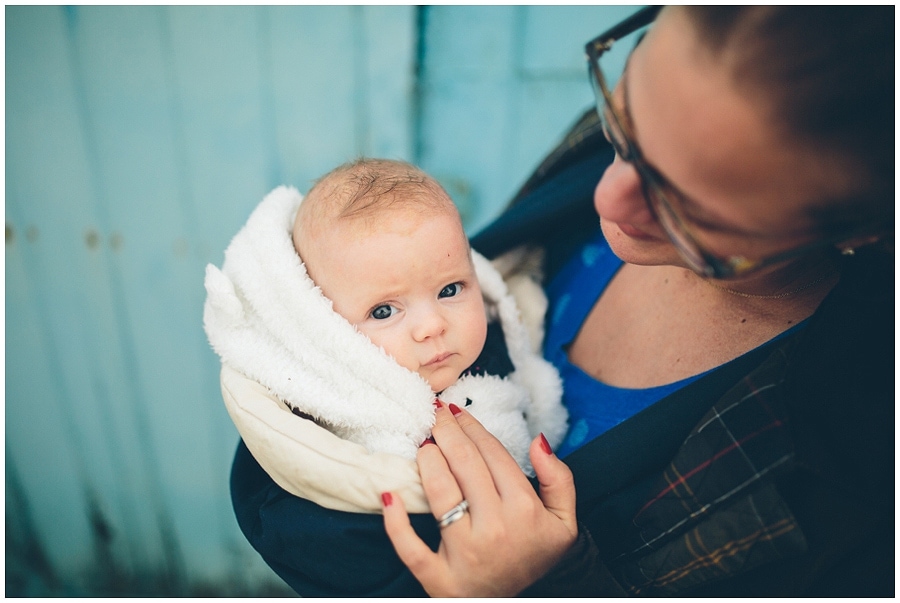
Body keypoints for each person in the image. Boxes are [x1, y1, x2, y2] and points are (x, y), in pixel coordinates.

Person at [229, 5, 894, 596]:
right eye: (624, 117)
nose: (607, 197)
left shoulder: (852, 488)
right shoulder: (628, 142)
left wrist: (549, 587)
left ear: (866, 225)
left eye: (687, 207)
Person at [204, 158, 567, 514]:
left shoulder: (500, 347)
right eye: (383, 311)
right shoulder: (338, 408)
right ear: (328, 326)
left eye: (450, 289)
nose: (432, 326)